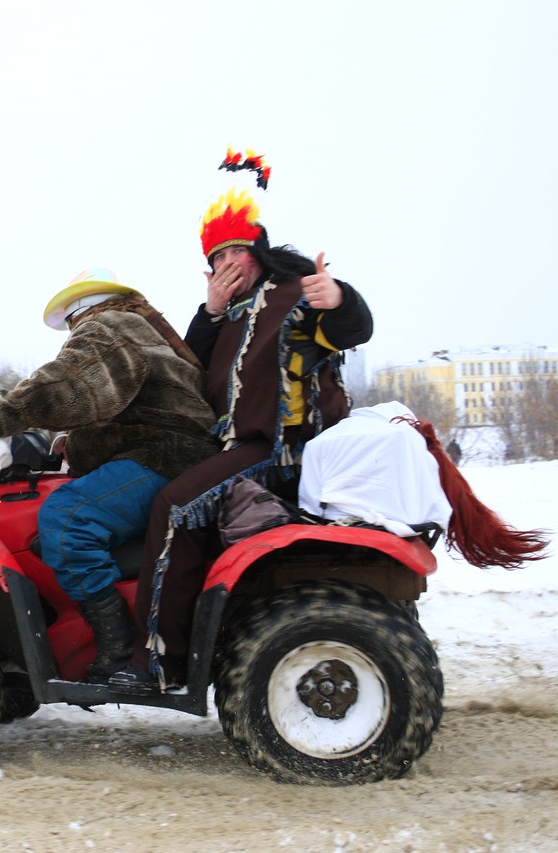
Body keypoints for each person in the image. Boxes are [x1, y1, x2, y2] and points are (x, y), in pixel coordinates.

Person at [109, 150, 374, 695]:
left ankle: (159, 662)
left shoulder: (294, 298)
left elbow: (351, 329)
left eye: (237, 250)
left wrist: (341, 298)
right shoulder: (227, 316)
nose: (228, 261)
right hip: (230, 450)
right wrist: (207, 310)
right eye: (217, 255)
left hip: (277, 451)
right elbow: (190, 366)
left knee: (175, 507)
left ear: (259, 253)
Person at [0, 269, 219, 682]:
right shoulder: (138, 328)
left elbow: (73, 382)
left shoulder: (108, 326)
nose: (71, 332)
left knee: (67, 517)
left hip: (165, 456)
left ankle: (117, 646)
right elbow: (123, 404)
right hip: (167, 451)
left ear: (81, 312)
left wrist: (0, 411)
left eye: (70, 324)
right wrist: (75, 443)